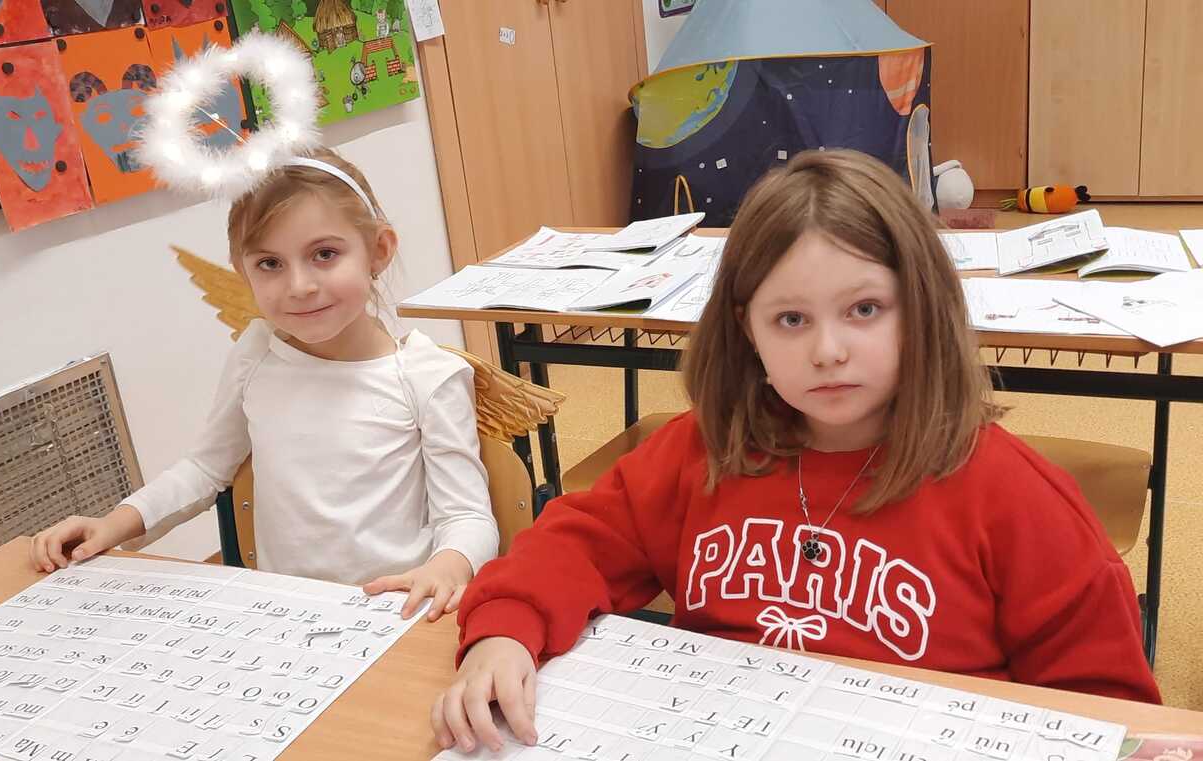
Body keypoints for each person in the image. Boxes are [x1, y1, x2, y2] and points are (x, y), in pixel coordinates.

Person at [432, 149, 1160, 754]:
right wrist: (505, 632)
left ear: (922, 309)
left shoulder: (1014, 494)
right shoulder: (704, 451)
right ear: (747, 329)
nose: (828, 349)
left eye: (865, 309)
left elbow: (1108, 706)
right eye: (790, 319)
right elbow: (574, 544)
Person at [30, 148, 499, 621]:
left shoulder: (427, 376)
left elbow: (468, 517)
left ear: (378, 250)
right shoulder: (257, 353)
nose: (299, 286)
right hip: (285, 616)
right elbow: (206, 468)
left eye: (325, 254)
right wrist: (114, 523)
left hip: (397, 615)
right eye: (270, 263)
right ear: (242, 270)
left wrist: (446, 566)